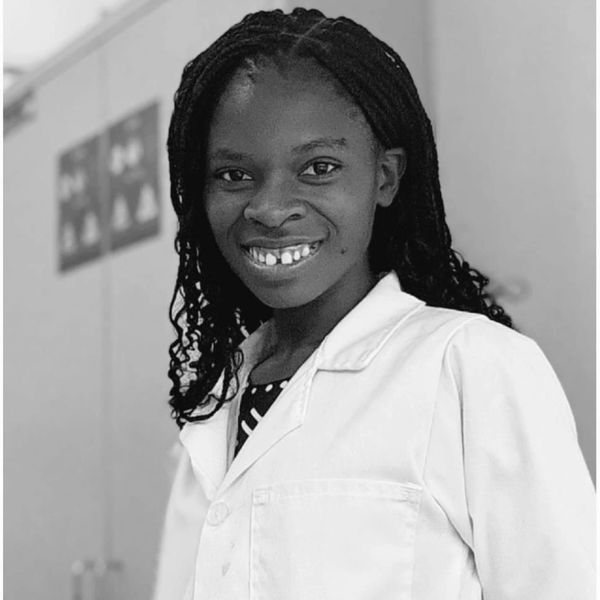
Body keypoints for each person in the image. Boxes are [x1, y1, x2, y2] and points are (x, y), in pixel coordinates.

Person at [154, 8, 595, 600]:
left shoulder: (470, 366)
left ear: (385, 178)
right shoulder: (219, 401)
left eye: (318, 168)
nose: (270, 208)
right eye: (234, 175)